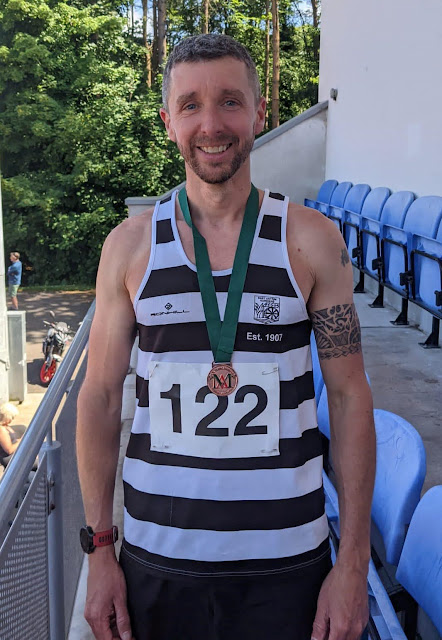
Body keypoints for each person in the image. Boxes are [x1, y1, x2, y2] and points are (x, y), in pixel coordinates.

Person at [76, 34, 376, 640]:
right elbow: (101, 398)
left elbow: (349, 398)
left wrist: (352, 564)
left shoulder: (311, 240)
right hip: (158, 562)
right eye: (190, 105)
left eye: (230, 102)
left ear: (259, 112)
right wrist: (99, 550)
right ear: (169, 122)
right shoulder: (130, 247)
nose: (211, 124)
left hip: (287, 564)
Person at [0, 402, 26, 468]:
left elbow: (14, 441)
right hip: (11, 458)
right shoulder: (1, 430)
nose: (12, 419)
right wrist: (22, 440)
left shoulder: (6, 426)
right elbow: (9, 450)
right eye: (12, 417)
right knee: (40, 463)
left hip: (16, 454)